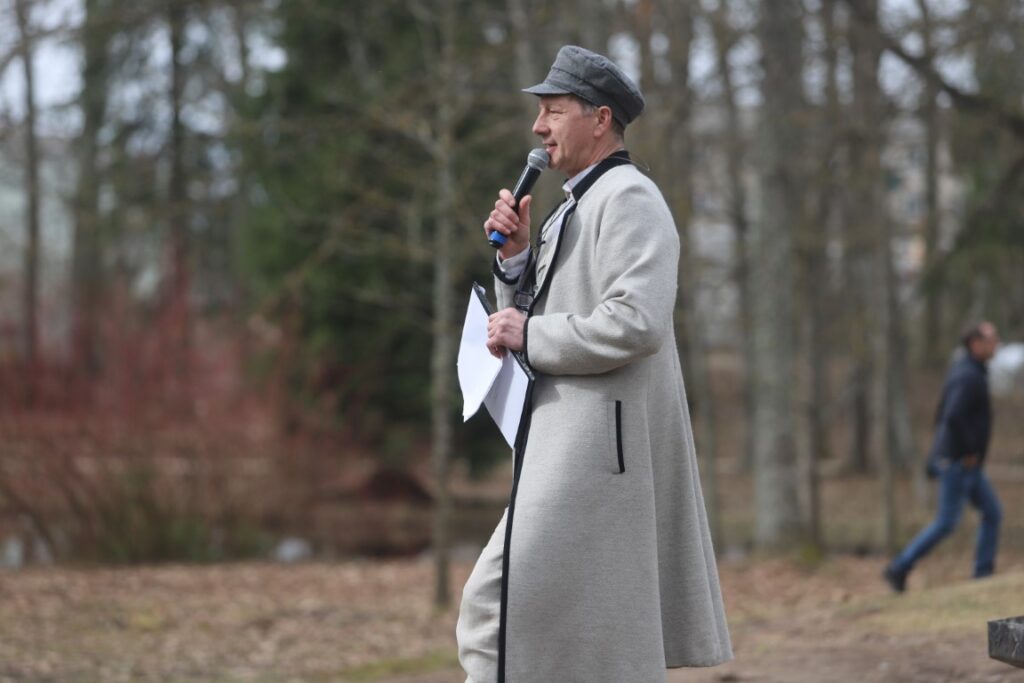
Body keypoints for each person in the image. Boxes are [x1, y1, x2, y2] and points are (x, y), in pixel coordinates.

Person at [456, 45, 732, 683]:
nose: (538, 126)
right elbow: (540, 318)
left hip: (598, 451)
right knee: (554, 630)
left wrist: (530, 331)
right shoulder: (571, 208)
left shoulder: (630, 199)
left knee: (500, 607)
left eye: (553, 111)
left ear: (600, 119)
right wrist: (516, 264)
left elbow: (638, 323)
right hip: (566, 443)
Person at [884, 322, 1003, 593]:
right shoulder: (968, 376)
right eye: (992, 339)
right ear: (976, 343)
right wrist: (969, 451)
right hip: (960, 463)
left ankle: (983, 575)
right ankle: (899, 567)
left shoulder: (970, 371)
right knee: (947, 522)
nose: (996, 344)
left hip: (965, 462)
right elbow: (951, 416)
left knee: (992, 513)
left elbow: (942, 414)